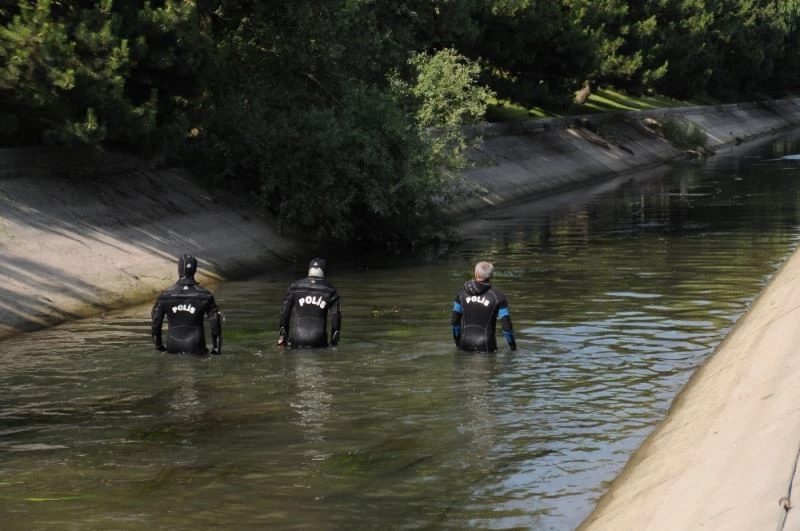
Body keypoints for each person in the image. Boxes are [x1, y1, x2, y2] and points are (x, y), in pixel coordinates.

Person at [151, 254, 223, 355]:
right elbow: (215, 323)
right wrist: (216, 349)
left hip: (172, 347)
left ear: (179, 270)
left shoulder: (165, 295)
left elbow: (156, 322)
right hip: (197, 347)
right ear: (194, 270)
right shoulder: (205, 296)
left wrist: (159, 346)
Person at [451, 261, 517, 352]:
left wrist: (457, 343)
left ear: (476, 274)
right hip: (486, 348)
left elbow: (454, 323)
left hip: (464, 345)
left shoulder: (461, 294)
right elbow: (507, 328)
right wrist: (513, 348)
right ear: (492, 276)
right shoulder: (498, 296)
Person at [278, 258, 341, 349]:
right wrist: (334, 342)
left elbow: (284, 313)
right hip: (319, 340)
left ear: (309, 270)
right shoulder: (331, 290)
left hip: (297, 339)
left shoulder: (294, 287)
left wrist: (282, 337)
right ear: (324, 272)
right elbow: (336, 318)